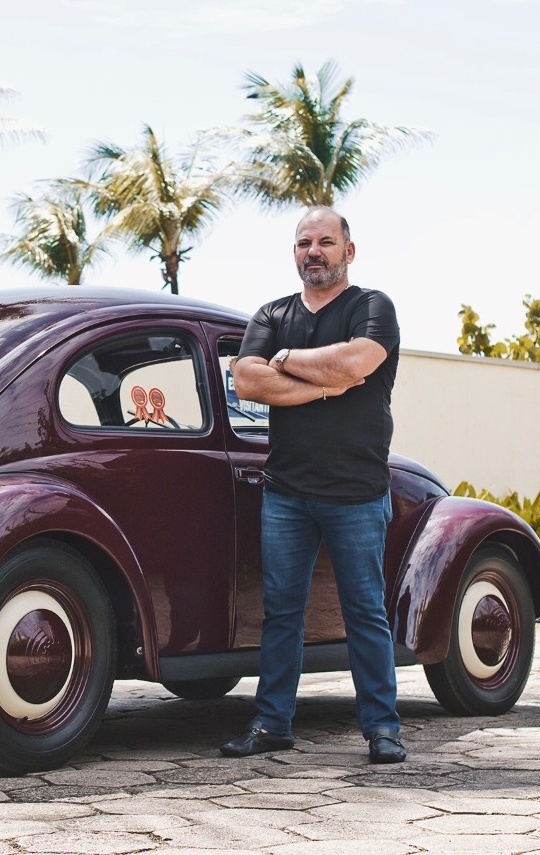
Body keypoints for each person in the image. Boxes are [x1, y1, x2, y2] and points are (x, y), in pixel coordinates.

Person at [220, 206, 406, 764]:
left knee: (364, 612)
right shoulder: (271, 312)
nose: (314, 251)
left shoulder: (373, 307)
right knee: (281, 612)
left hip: (356, 490)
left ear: (349, 250)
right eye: (304, 242)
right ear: (294, 252)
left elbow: (358, 361)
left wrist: (288, 362)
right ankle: (273, 723)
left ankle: (382, 729)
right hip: (287, 492)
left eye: (326, 241)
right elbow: (247, 380)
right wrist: (328, 384)